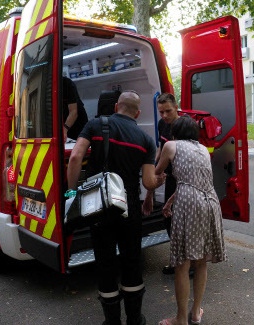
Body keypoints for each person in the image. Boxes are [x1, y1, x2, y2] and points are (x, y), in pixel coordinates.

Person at [67, 90, 165, 325]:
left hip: (99, 207)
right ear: (138, 113)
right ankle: (134, 319)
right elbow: (148, 182)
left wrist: (72, 192)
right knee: (131, 260)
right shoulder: (146, 140)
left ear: (116, 107)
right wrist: (159, 181)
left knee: (105, 261)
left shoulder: (95, 125)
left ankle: (111, 321)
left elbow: (75, 158)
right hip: (129, 208)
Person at [155, 116, 227, 325]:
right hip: (210, 202)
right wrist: (170, 201)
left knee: (182, 263)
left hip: (189, 204)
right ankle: (195, 313)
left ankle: (180, 319)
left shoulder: (170, 145)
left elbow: (157, 172)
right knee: (202, 261)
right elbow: (195, 182)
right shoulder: (203, 149)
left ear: (174, 132)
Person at [142, 93, 180, 275]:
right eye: (161, 112)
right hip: (170, 177)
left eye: (168, 111)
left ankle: (188, 264)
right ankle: (177, 260)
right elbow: (160, 150)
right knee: (169, 220)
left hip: (183, 179)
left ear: (176, 107)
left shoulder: (184, 126)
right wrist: (154, 168)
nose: (164, 116)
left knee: (181, 222)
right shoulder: (162, 124)